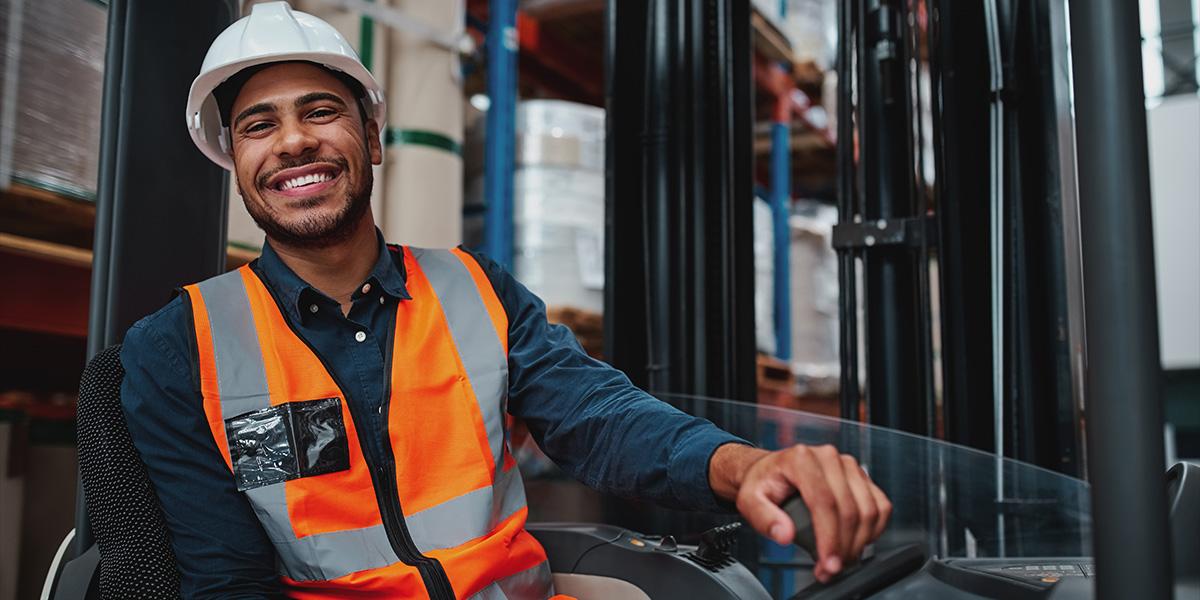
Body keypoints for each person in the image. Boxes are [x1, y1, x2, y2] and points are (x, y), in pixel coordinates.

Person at [121, 3, 891, 598]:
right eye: (259, 125)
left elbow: (600, 419)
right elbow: (226, 582)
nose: (292, 142)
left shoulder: (473, 290)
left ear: (373, 136)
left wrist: (741, 465)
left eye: (321, 111)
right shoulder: (180, 347)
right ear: (236, 160)